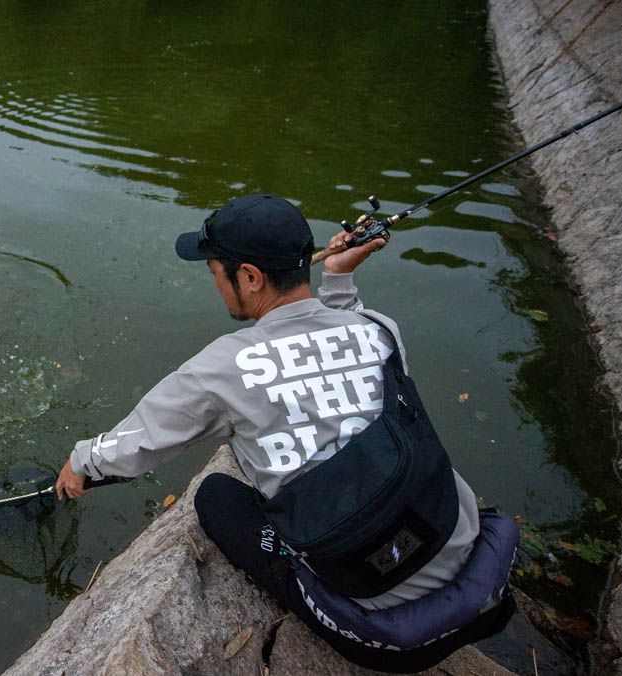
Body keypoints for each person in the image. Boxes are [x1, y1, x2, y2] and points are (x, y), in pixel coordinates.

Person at [54, 194, 515, 672]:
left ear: (250, 277)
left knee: (216, 496)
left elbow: (139, 442)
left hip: (393, 636)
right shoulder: (379, 330)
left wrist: (81, 463)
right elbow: (346, 345)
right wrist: (338, 278)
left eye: (215, 272)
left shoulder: (218, 370)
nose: (215, 283)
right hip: (481, 583)